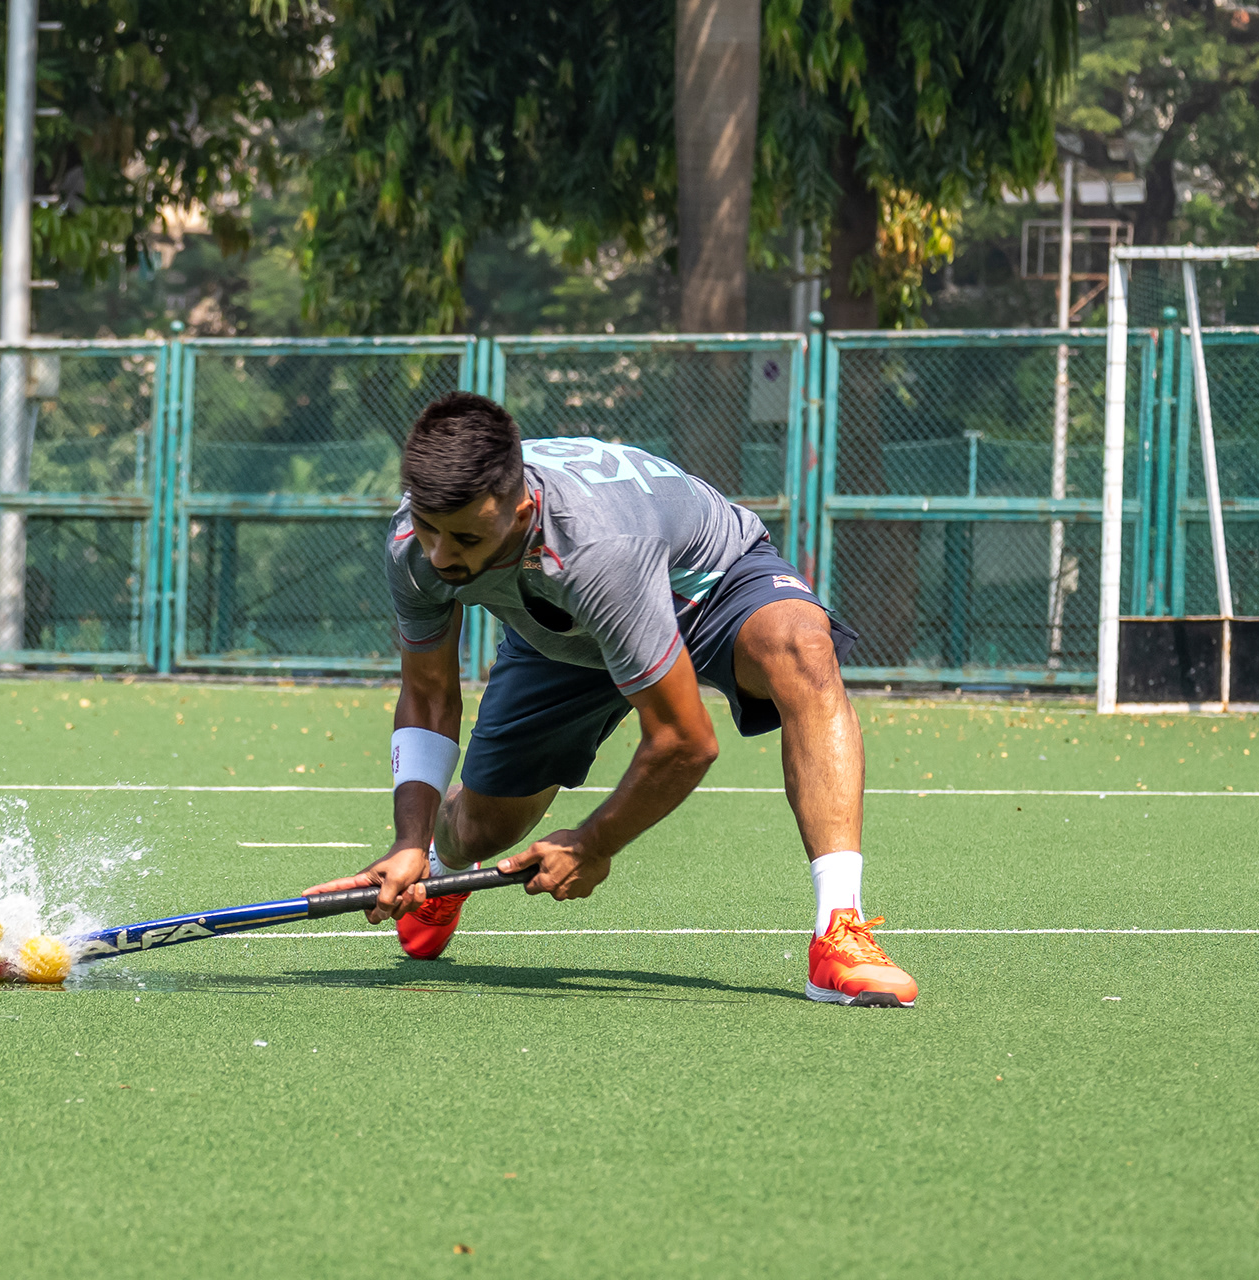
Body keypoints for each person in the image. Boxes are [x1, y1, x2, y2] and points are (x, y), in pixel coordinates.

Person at [303, 393, 917, 1006]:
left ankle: (840, 931)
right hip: (563, 631)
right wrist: (410, 842)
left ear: (521, 512)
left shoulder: (596, 548)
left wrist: (592, 844)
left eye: (465, 537)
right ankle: (443, 864)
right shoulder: (413, 542)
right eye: (431, 530)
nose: (441, 556)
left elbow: (685, 741)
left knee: (803, 650)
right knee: (482, 831)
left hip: (703, 586)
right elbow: (430, 692)